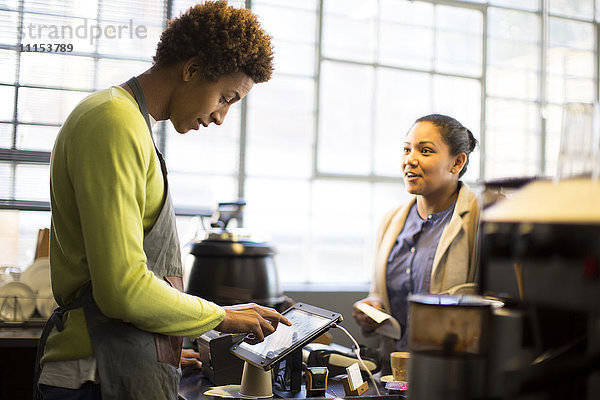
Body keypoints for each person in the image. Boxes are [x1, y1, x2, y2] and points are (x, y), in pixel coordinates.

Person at [35, 2, 290, 399]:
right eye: (225, 97)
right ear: (191, 70)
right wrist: (220, 317)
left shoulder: (128, 123)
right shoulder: (113, 122)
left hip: (118, 361)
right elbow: (123, 289)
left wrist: (165, 343)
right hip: (94, 375)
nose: (221, 116)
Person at [352, 114, 480, 367]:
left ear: (457, 162)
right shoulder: (391, 221)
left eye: (425, 150)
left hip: (454, 373)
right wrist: (372, 311)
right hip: (394, 371)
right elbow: (379, 295)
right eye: (406, 149)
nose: (410, 159)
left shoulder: (481, 219)